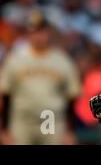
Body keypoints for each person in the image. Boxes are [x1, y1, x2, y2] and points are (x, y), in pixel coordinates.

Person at [0, 10, 81, 144]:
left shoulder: (62, 60)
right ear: (28, 34)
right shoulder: (15, 59)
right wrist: (4, 129)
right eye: (35, 31)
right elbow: (6, 95)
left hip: (51, 121)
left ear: (48, 33)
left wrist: (70, 131)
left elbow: (71, 97)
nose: (38, 36)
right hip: (22, 122)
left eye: (42, 31)